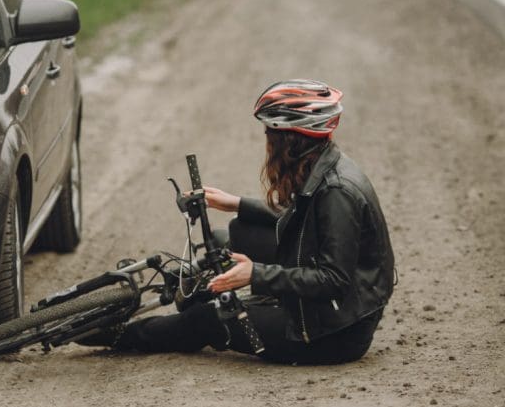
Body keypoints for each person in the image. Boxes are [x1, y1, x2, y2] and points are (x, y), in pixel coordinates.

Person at [83, 79, 395, 365]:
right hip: (330, 311)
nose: (267, 143)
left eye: (270, 134)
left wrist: (257, 275)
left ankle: (110, 334)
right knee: (234, 236)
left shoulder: (337, 193)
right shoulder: (322, 165)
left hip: (332, 333)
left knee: (206, 319)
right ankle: (202, 289)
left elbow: (333, 281)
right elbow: (299, 219)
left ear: (292, 140)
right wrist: (236, 203)